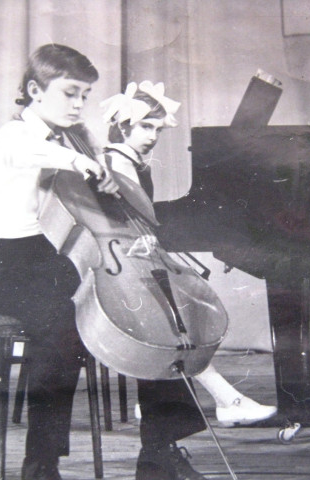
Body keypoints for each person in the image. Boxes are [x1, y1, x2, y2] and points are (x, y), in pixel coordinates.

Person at [0, 44, 209, 480]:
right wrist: (82, 162)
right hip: (19, 268)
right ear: (34, 90)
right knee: (62, 327)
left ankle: (160, 451)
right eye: (69, 93)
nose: (78, 104)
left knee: (150, 314)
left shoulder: (75, 138)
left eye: (84, 95)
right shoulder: (15, 135)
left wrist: (114, 171)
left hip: (65, 262)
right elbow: (34, 154)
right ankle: (41, 464)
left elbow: (101, 195)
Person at [100, 81, 277, 428]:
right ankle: (228, 401)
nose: (153, 136)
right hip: (125, 269)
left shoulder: (129, 160)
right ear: (123, 126)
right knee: (177, 325)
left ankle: (169, 402)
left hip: (135, 260)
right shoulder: (117, 163)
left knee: (181, 319)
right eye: (145, 127)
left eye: (157, 129)